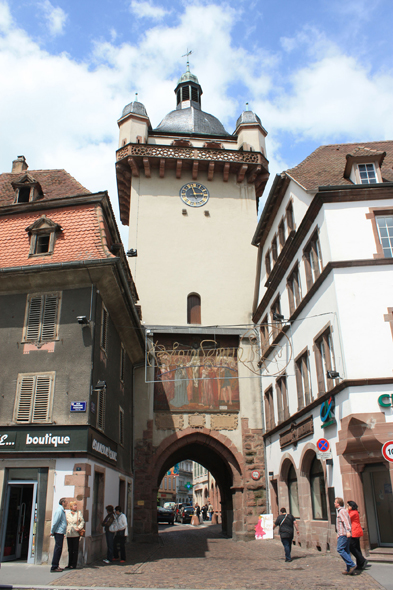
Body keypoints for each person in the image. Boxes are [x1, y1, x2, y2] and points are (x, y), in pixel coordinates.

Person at [334, 497, 357, 575]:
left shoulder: (342, 511)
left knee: (340, 549)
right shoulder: (341, 511)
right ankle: (348, 569)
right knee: (346, 551)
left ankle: (352, 564)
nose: (334, 503)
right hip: (342, 533)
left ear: (338, 503)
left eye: (335, 502)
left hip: (344, 534)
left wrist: (348, 531)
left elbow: (346, 522)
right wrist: (338, 533)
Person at [347, 501, 368, 570]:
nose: (348, 507)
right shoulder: (354, 512)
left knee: (351, 547)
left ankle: (362, 560)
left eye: (348, 506)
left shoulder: (353, 512)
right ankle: (360, 564)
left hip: (355, 531)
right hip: (356, 531)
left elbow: (347, 517)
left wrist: (347, 510)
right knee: (357, 547)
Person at [65, 500, 85, 569]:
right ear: (71, 507)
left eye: (76, 505)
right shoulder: (68, 514)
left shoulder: (79, 513)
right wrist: (65, 532)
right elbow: (66, 523)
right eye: (74, 505)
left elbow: (82, 522)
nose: (75, 506)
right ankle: (69, 563)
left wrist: (79, 528)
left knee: (75, 549)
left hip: (76, 533)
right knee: (70, 549)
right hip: (69, 533)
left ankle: (74, 564)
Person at [50, 498, 67, 572]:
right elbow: (55, 522)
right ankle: (54, 566)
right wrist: (52, 531)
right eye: (66, 502)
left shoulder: (62, 511)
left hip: (60, 532)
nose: (67, 503)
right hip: (58, 532)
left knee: (59, 549)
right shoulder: (59, 511)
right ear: (63, 503)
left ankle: (56, 565)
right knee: (58, 549)